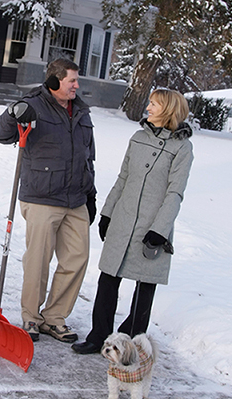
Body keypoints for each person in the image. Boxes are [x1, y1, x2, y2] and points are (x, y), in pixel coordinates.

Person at [71, 89, 193, 354]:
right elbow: (123, 178)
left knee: (144, 287)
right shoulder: (138, 138)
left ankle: (131, 343)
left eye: (154, 103)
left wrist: (159, 230)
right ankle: (98, 336)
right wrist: (108, 212)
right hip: (124, 219)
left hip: (152, 225)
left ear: (169, 109)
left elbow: (175, 192)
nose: (148, 107)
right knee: (108, 280)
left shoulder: (182, 147)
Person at [0, 58, 97, 343]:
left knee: (77, 258)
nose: (77, 85)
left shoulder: (82, 112)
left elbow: (89, 157)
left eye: (77, 80)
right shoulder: (33, 104)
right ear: (54, 81)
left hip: (76, 199)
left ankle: (54, 317)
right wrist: (13, 114)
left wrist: (91, 195)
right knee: (38, 260)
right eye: (72, 80)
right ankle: (31, 318)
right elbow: (0, 135)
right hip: (42, 197)